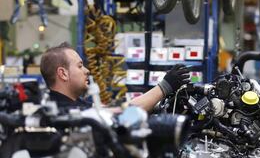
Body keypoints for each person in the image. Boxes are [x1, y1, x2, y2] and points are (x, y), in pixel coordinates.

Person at [40, 42, 190, 111]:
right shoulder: (62, 111)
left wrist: (157, 107)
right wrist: (164, 87)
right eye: (80, 66)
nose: (87, 70)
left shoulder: (77, 103)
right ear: (63, 73)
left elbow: (117, 108)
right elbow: (123, 113)